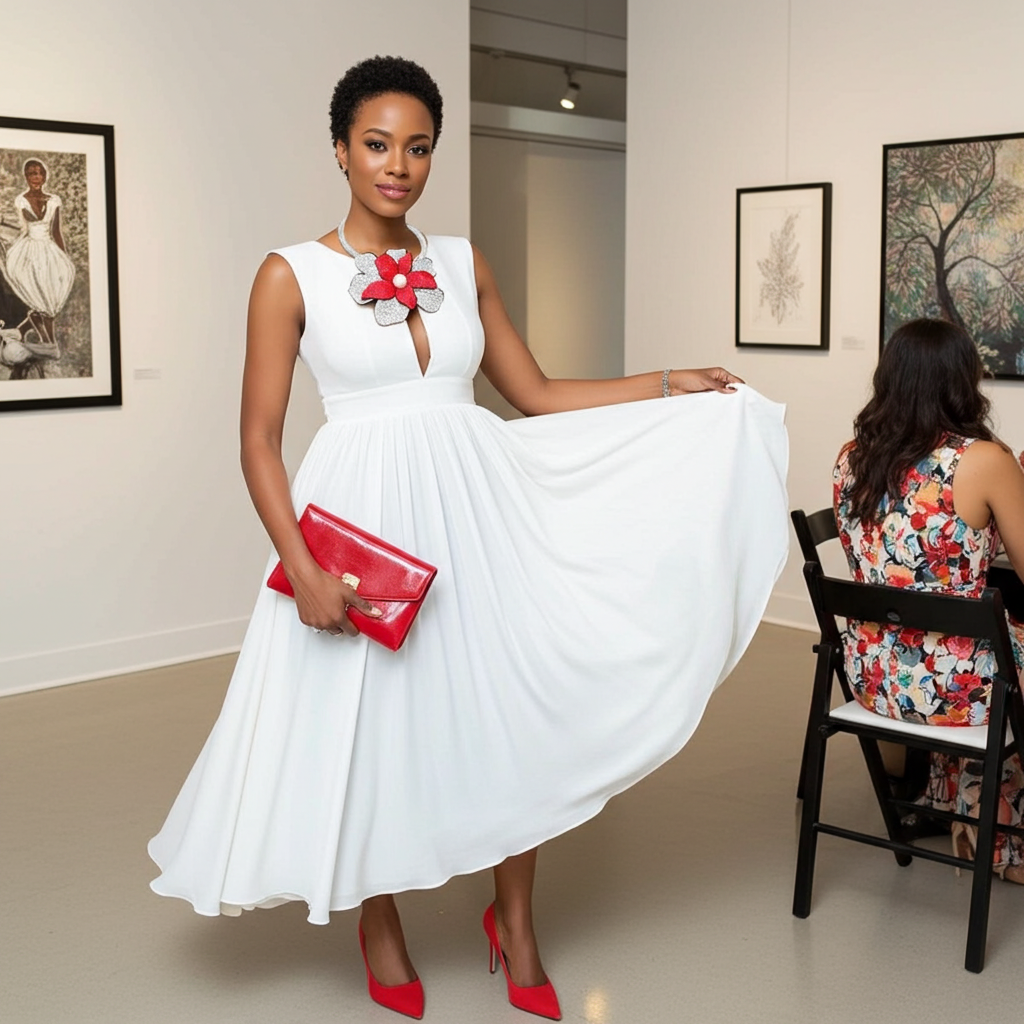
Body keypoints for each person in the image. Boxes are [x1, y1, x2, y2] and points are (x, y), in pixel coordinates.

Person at [148, 56, 789, 1020]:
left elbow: (533, 394)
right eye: (376, 144)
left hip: (478, 514)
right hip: (360, 522)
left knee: (510, 717)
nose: (397, 165)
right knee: (370, 727)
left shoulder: (463, 260)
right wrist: (302, 564)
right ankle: (380, 922)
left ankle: (515, 919)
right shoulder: (290, 275)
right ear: (340, 149)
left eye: (417, 146)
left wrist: (664, 383)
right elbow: (257, 441)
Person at [833, 317, 1024, 882]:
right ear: (964, 380)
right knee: (1001, 648)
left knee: (980, 636)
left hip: (873, 675)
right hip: (957, 687)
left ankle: (963, 813)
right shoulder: (983, 460)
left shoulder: (851, 458)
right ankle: (1001, 836)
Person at [2, 158, 75, 358]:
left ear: (44, 176)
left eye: (39, 173)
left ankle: (48, 344)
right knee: (38, 298)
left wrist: (63, 258)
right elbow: (26, 227)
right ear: (26, 177)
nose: (36, 177)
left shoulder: (54, 200)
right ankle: (48, 344)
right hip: (30, 249)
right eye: (32, 173)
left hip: (48, 250)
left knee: (49, 297)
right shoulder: (21, 200)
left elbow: (56, 231)